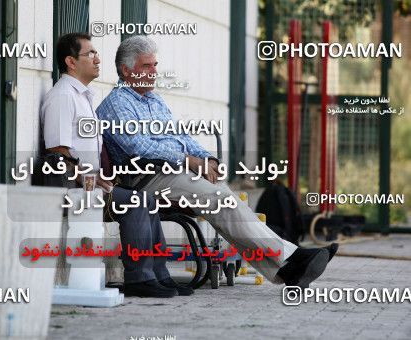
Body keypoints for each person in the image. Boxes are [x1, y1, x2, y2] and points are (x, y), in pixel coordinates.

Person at [97, 35, 336, 288]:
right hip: (144, 179)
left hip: (173, 173)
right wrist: (189, 161)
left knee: (227, 203)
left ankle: (288, 270)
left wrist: (207, 159)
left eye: (156, 65)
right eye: (147, 66)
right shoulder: (117, 103)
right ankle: (292, 258)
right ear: (126, 70)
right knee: (223, 201)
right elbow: (137, 146)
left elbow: (182, 137)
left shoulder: (154, 100)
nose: (154, 71)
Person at [40, 32, 192, 297]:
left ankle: (158, 274)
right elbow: (57, 152)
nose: (98, 59)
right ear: (71, 62)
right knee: (137, 202)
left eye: (96, 53)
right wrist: (91, 179)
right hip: (76, 190)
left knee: (146, 199)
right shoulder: (63, 96)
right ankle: (139, 278)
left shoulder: (82, 96)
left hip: (92, 186)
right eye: (90, 54)